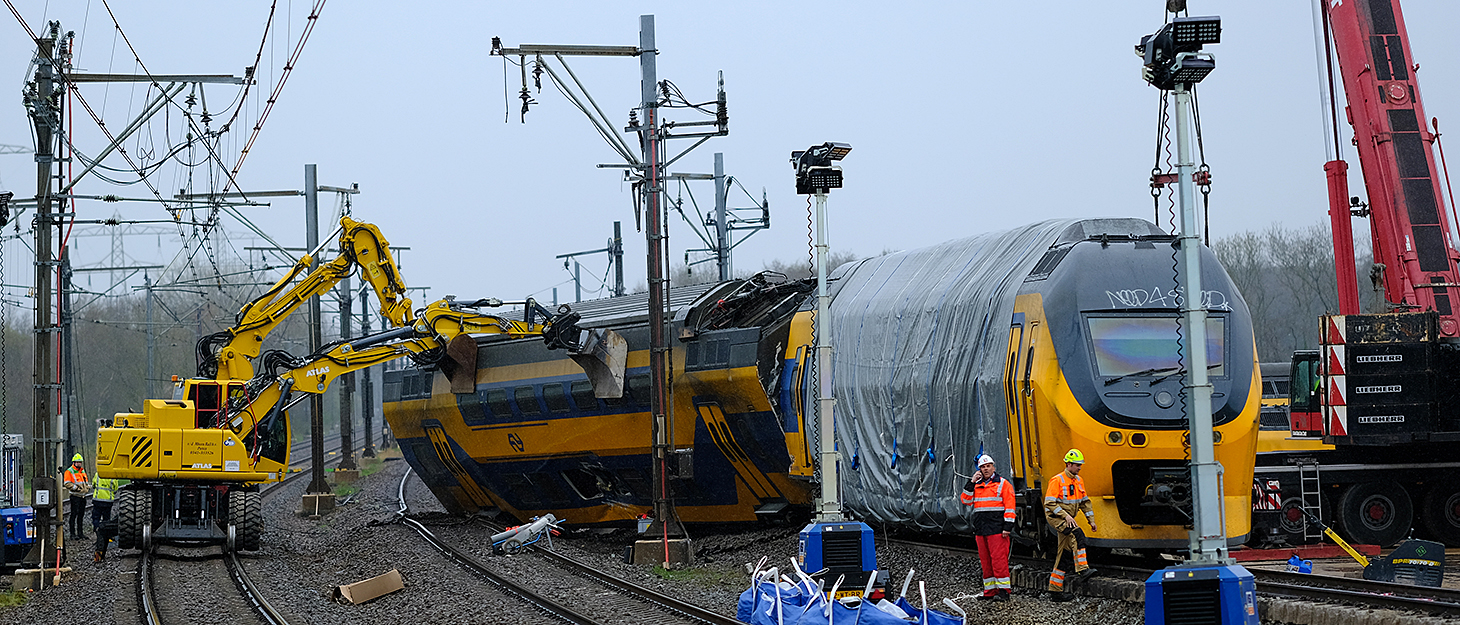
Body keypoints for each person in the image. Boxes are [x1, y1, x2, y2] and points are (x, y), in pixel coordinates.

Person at [1044, 448, 1097, 602]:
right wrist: (1065, 516)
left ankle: (1055, 590)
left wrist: (1091, 521)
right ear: (1068, 464)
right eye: (1077, 465)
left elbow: (1085, 503)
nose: (1080, 468)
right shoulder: (1057, 480)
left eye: (1080, 465)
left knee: (1064, 554)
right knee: (1077, 534)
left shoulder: (1078, 481)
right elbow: (1049, 503)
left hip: (1067, 518)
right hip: (1056, 517)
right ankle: (1082, 569)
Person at [961, 454, 1016, 602]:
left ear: (993, 467)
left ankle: (1004, 591)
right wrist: (971, 482)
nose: (985, 469)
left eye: (988, 466)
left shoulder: (1003, 484)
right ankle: (990, 591)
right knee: (986, 562)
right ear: (979, 469)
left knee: (999, 561)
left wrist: (1007, 527)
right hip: (981, 529)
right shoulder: (977, 485)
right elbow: (965, 500)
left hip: (997, 529)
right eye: (983, 467)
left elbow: (1010, 507)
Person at [92, 475, 126, 562]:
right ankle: (106, 535)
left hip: (97, 500)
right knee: (106, 520)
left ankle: (97, 530)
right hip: (108, 501)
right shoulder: (112, 476)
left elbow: (94, 484)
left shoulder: (98, 474)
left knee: (96, 517)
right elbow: (115, 488)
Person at [62, 452, 91, 541]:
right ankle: (72, 534)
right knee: (74, 514)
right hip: (75, 496)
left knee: (81, 515)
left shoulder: (82, 471)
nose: (79, 463)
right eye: (77, 462)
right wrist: (77, 489)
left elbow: (85, 482)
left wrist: (87, 488)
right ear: (74, 462)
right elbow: (67, 484)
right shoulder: (69, 471)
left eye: (80, 462)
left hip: (82, 497)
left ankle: (80, 533)